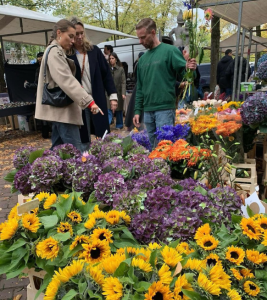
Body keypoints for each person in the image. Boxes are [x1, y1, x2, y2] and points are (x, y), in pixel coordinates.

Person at [35, 19, 102, 152]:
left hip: (59, 112)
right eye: (70, 36)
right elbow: (67, 80)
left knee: (57, 154)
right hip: (64, 112)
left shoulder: (54, 51)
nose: (73, 40)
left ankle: (41, 171)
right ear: (59, 33)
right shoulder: (55, 52)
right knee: (75, 153)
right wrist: (89, 101)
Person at [133, 18, 196, 148]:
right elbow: (139, 88)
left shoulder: (170, 51)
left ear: (153, 32)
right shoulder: (142, 60)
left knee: (165, 148)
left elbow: (187, 75)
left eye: (143, 37)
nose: (140, 42)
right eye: (139, 38)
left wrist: (190, 68)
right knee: (151, 149)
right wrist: (137, 110)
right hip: (148, 111)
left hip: (165, 109)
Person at [68, 17, 118, 151]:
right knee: (83, 138)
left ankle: (106, 162)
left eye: (81, 33)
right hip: (79, 102)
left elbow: (106, 74)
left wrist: (113, 97)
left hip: (97, 99)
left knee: (103, 136)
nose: (79, 37)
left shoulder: (94, 51)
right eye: (76, 34)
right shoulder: (67, 54)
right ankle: (86, 164)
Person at [107, 52, 126, 130]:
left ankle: (119, 124)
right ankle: (107, 124)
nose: (111, 60)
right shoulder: (107, 69)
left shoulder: (120, 69)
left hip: (118, 91)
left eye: (112, 58)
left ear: (116, 59)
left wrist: (123, 93)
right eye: (110, 58)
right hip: (108, 93)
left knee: (119, 109)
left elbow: (123, 81)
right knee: (108, 108)